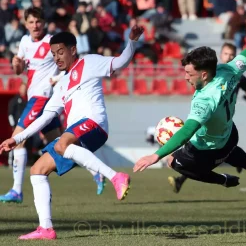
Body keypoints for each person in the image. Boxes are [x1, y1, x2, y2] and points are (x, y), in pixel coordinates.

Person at [134, 1, 246, 203]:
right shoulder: (230, 70)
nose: (185, 77)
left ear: (204, 74)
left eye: (189, 73)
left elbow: (186, 132)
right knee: (226, 147)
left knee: (173, 162)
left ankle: (223, 180)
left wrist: (155, 155)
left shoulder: (205, 100)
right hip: (230, 136)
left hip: (209, 150)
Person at [0, 25, 144, 240]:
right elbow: (45, 117)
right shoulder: (62, 84)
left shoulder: (90, 62)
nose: (57, 58)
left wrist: (132, 41)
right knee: (37, 170)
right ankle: (46, 228)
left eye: (60, 52)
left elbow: (121, 61)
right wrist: (17, 137)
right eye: (53, 54)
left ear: (73, 50)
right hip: (75, 132)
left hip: (94, 124)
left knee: (61, 144)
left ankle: (116, 177)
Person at [0, 7, 104, 204]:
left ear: (44, 23)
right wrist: (16, 64)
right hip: (36, 97)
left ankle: (16, 190)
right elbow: (19, 70)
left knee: (18, 138)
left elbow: (69, 63)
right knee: (61, 145)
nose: (35, 25)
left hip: (43, 97)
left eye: (38, 21)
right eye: (31, 22)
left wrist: (58, 79)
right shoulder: (24, 42)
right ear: (26, 24)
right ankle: (96, 171)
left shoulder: (51, 42)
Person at [167, 42, 246, 192]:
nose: (229, 56)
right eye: (226, 53)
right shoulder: (218, 73)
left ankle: (231, 169)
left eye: (232, 54)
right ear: (221, 55)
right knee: (198, 154)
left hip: (219, 123)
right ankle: (240, 163)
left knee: (192, 156)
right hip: (211, 122)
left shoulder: (235, 74)